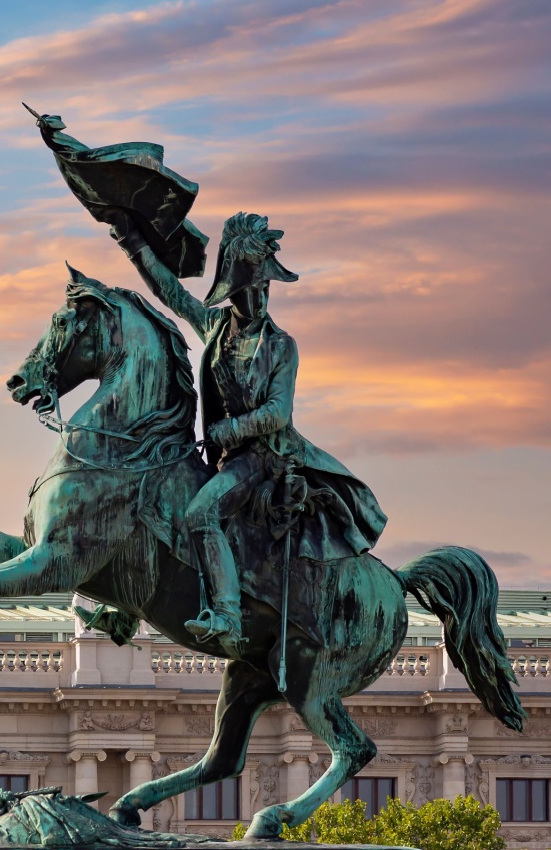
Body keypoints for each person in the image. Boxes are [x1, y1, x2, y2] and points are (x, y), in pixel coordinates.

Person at [106, 209, 387, 654]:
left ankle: (227, 615)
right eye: (252, 287)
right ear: (233, 290)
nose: (261, 296)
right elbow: (171, 293)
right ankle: (126, 608)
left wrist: (229, 431)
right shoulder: (216, 328)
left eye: (265, 286)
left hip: (264, 459)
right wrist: (131, 240)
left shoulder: (280, 346)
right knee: (152, 494)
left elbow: (278, 412)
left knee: (200, 514)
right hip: (222, 457)